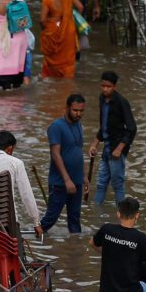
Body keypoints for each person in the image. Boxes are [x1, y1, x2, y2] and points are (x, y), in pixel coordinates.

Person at [39, 94, 88, 234]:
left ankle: (74, 250)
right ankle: (31, 242)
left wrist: (84, 176)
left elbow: (79, 151)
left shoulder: (79, 125)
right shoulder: (56, 127)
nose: (78, 114)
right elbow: (55, 153)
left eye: (81, 111)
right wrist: (67, 180)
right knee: (51, 218)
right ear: (67, 108)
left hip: (77, 181)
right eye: (75, 110)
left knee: (75, 219)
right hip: (60, 183)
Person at [0, 130, 42, 234]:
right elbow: (26, 195)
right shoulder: (16, 163)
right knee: (17, 247)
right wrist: (36, 222)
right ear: (10, 148)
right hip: (9, 222)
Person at [89, 70, 137, 205]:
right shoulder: (101, 99)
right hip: (107, 148)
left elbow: (132, 128)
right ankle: (95, 214)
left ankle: (123, 217)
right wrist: (95, 143)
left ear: (114, 87)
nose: (105, 89)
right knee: (100, 183)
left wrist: (120, 149)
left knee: (117, 185)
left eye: (108, 86)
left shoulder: (122, 102)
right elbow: (104, 124)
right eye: (103, 86)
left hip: (116, 150)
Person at [39, 0, 83, 78]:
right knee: (67, 62)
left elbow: (42, 20)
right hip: (69, 31)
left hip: (53, 31)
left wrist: (46, 29)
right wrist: (70, 22)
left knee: (51, 63)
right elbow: (80, 7)